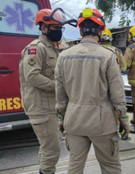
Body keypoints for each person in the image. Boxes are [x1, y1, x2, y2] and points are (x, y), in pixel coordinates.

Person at [55, 8, 130, 174]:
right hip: (102, 124)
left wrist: (61, 118)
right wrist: (124, 118)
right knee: (110, 167)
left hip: (73, 121)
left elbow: (60, 96)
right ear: (101, 31)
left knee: (74, 167)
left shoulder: (63, 56)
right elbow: (118, 94)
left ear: (80, 30)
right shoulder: (108, 55)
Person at [19, 8, 77, 174]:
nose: (58, 32)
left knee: (49, 147)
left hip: (50, 106)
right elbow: (33, 77)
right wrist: (60, 86)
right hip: (41, 107)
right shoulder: (36, 48)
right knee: (52, 149)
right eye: (55, 28)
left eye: (60, 28)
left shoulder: (52, 48)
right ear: (43, 28)